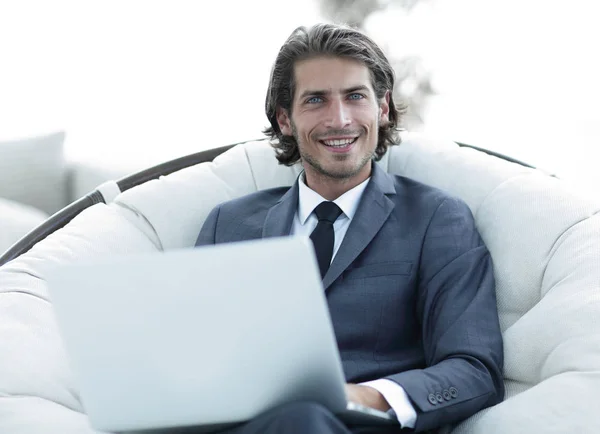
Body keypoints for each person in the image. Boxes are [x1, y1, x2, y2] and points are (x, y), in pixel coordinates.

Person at [196, 23, 504, 433]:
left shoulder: (437, 218)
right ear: (285, 119)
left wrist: (361, 395)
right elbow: (195, 357)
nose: (339, 119)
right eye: (316, 100)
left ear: (382, 108)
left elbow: (474, 368)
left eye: (355, 97)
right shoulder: (228, 225)